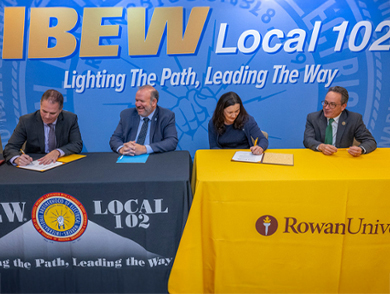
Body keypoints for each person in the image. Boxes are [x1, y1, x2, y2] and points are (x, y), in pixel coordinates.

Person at [3, 89, 83, 166]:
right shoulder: (26, 121)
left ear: (60, 110)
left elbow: (77, 144)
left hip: (61, 164)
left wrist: (57, 152)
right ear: (40, 105)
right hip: (35, 163)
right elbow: (11, 147)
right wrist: (17, 159)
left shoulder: (70, 119)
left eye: (52, 113)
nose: (47, 116)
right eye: (44, 111)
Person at [303, 86, 376, 157]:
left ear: (343, 106)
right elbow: (307, 140)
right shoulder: (313, 118)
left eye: (332, 104)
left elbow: (370, 141)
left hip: (342, 159)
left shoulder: (354, 119)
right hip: (320, 158)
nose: (326, 107)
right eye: (325, 102)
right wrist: (321, 147)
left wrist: (360, 149)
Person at [109, 85, 178, 155]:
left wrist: (144, 149)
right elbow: (115, 138)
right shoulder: (127, 115)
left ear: (153, 102)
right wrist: (122, 149)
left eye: (142, 101)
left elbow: (172, 141)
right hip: (129, 158)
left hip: (154, 160)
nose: (138, 104)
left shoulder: (166, 116)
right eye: (136, 100)